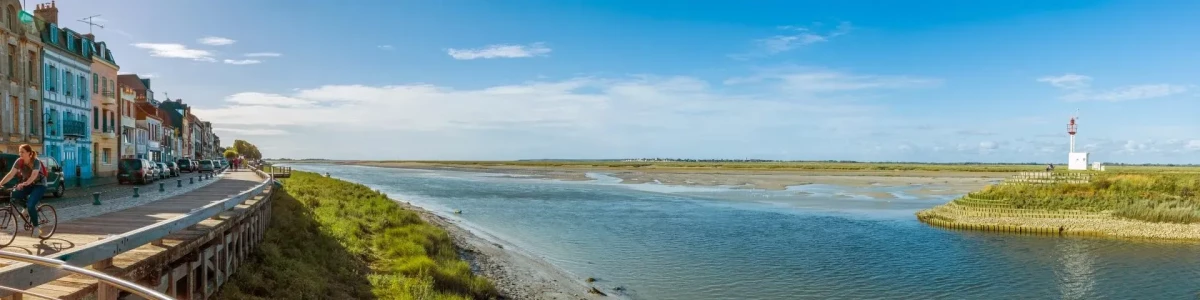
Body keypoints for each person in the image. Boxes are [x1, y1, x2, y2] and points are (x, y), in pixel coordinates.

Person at [0, 144, 47, 237]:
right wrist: (0, 183)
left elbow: (34, 175)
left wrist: (24, 184)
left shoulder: (36, 161)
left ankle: (36, 227)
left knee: (31, 204)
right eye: (19, 152)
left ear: (29, 153)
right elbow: (11, 174)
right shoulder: (19, 161)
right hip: (28, 184)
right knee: (14, 194)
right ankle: (25, 208)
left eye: (22, 152)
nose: (20, 154)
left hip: (40, 185)